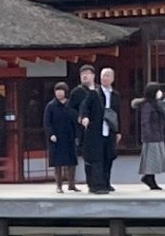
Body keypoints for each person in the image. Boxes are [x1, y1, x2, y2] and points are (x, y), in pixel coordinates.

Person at [81, 67, 120, 195]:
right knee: (97, 158)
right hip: (96, 130)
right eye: (103, 76)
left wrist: (118, 131)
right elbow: (85, 107)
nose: (105, 78)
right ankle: (97, 185)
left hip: (110, 130)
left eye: (108, 76)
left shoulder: (115, 95)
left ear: (112, 78)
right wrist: (85, 117)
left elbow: (118, 114)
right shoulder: (94, 93)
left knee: (108, 157)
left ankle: (106, 182)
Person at [131, 72, 165, 190]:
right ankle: (149, 179)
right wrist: (148, 135)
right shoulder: (148, 105)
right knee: (152, 160)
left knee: (156, 160)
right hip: (151, 136)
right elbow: (145, 122)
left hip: (157, 134)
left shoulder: (156, 104)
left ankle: (150, 178)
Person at [43, 79, 79, 194]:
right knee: (57, 163)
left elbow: (75, 120)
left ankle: (71, 184)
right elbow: (47, 123)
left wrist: (77, 135)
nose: (59, 93)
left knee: (71, 162)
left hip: (69, 137)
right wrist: (51, 134)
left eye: (61, 91)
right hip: (56, 138)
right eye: (57, 91)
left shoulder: (70, 104)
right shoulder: (51, 106)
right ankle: (59, 186)